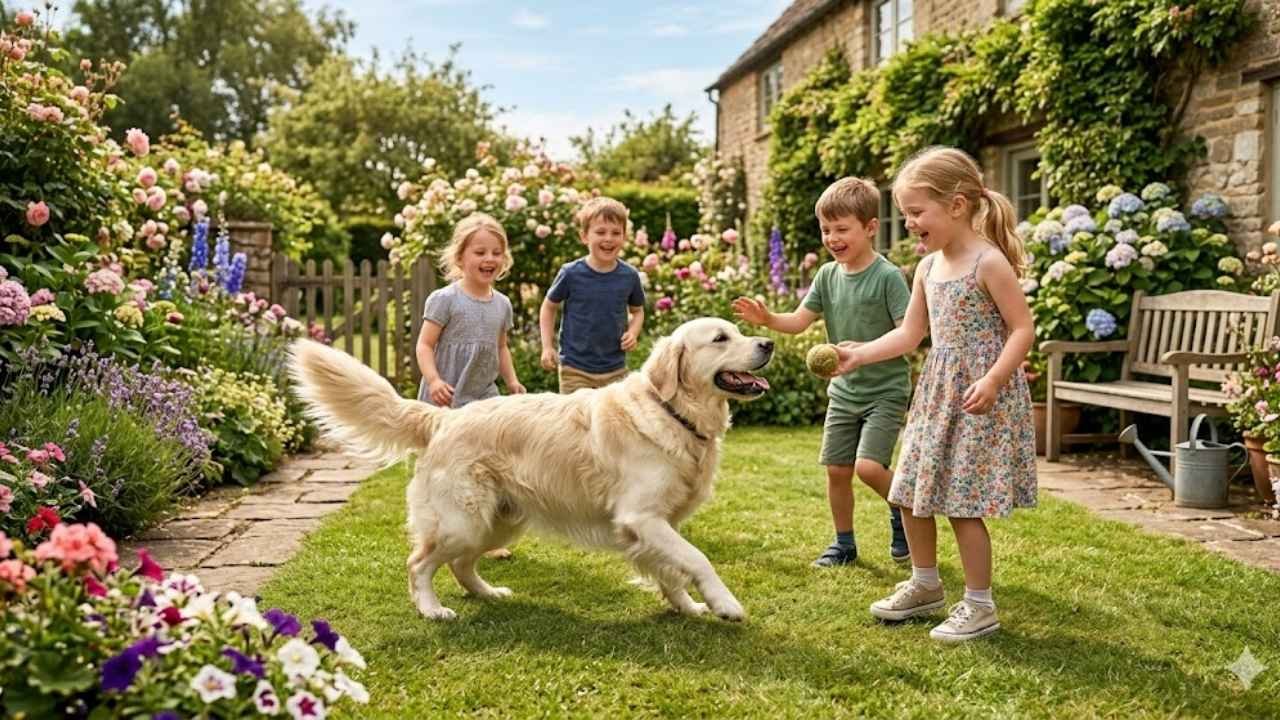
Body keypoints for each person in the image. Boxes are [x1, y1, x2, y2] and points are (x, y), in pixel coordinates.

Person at [829, 147, 1037, 642]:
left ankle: (980, 605)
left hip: (978, 397)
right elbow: (910, 335)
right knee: (910, 492)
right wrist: (860, 354)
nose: (910, 224)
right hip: (936, 394)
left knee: (962, 503)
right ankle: (925, 585)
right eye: (905, 214)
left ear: (958, 205)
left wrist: (992, 379)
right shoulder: (926, 269)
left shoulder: (989, 262)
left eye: (917, 213)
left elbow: (1022, 329)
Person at [733, 176, 911, 568]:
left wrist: (863, 351)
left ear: (869, 228)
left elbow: (908, 333)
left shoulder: (888, 277)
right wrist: (766, 318)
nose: (832, 237)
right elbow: (799, 321)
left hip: (885, 390)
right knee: (837, 470)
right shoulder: (827, 276)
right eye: (826, 229)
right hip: (844, 392)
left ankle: (902, 507)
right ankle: (843, 544)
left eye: (841, 229)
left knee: (868, 468)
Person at [539, 196, 645, 394]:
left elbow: (637, 311)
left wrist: (633, 332)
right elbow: (549, 306)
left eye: (616, 233)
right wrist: (547, 346)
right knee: (576, 422)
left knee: (613, 422)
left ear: (624, 237)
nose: (608, 238)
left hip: (615, 370)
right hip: (575, 369)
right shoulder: (570, 273)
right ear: (584, 236)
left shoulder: (629, 276)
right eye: (600, 232)